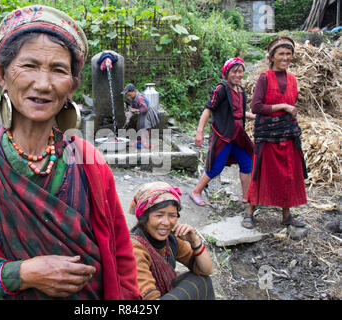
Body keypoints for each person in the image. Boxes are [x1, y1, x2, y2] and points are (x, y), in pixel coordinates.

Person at [0, 5, 141, 300]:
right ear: (2, 75)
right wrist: (20, 274)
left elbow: (121, 257)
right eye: (29, 65)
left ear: (72, 85)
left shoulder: (89, 161)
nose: (43, 84)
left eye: (59, 70)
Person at [242, 36, 307, 229]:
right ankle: (249, 212)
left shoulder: (293, 80)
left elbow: (292, 103)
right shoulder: (264, 78)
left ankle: (286, 214)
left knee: (288, 173)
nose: (285, 57)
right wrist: (283, 106)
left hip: (287, 134)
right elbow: (256, 107)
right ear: (272, 56)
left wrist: (287, 110)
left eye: (288, 54)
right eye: (281, 54)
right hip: (268, 135)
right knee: (259, 171)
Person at [129, 182, 214, 300]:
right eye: (159, 215)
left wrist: (194, 241)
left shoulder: (171, 239)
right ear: (144, 217)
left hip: (162, 292)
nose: (166, 222)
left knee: (202, 280)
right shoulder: (135, 248)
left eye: (172, 215)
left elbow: (206, 270)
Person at [189, 58, 255, 206]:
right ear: (227, 73)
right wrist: (199, 132)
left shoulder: (241, 90)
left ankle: (247, 197)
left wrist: (254, 116)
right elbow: (208, 109)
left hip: (238, 135)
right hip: (223, 135)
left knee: (247, 163)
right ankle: (196, 191)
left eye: (240, 71)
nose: (237, 75)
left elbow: (238, 112)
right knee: (215, 167)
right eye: (234, 71)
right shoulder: (221, 88)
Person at [122, 83, 160, 149]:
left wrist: (137, 110)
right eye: (128, 96)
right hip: (142, 113)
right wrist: (129, 112)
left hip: (147, 113)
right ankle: (140, 141)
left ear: (134, 91)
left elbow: (144, 108)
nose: (129, 97)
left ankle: (145, 143)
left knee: (144, 127)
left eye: (130, 95)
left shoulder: (139, 97)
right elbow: (133, 107)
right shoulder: (133, 98)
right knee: (140, 126)